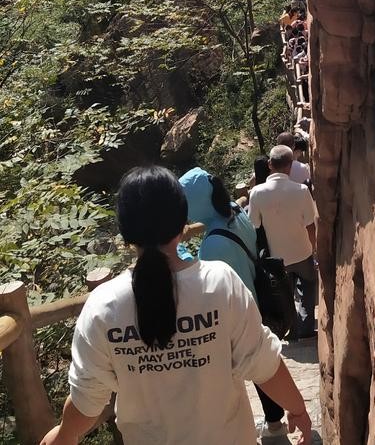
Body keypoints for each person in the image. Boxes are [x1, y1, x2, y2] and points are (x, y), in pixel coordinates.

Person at [39, 166, 311, 445]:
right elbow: (264, 363)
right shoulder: (219, 283)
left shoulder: (102, 306)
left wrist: (64, 436)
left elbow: (87, 399)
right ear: (183, 221)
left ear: (125, 232)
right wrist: (298, 408)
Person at [179, 167, 287, 441]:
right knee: (263, 356)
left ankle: (274, 423)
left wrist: (179, 252)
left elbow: (207, 281)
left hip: (242, 308)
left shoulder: (213, 244)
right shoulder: (233, 211)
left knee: (256, 367)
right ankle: (277, 418)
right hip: (257, 293)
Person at [249, 147, 317, 341]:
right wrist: (313, 249)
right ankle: (306, 326)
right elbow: (310, 224)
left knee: (285, 293)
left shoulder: (256, 193)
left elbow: (254, 223)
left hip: (277, 257)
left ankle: (293, 329)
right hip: (303, 250)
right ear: (290, 166)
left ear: (270, 164)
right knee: (308, 287)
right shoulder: (302, 191)